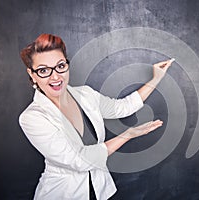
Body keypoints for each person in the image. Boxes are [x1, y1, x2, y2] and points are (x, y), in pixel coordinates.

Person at [19, 33, 174, 200]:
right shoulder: (32, 118)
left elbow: (122, 107)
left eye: (60, 66)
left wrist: (156, 78)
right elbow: (79, 160)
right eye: (43, 70)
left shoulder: (85, 95)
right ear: (32, 74)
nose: (55, 76)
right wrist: (128, 135)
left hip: (99, 191)